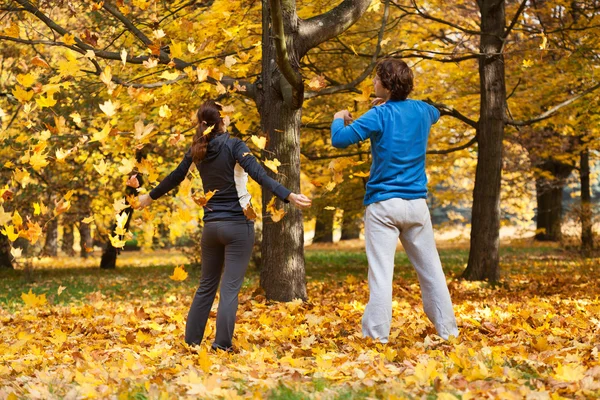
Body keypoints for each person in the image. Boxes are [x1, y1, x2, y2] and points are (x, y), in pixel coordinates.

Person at [137, 100, 311, 351]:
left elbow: (176, 176)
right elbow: (260, 175)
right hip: (238, 226)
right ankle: (221, 345)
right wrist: (289, 195)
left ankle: (191, 343)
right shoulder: (234, 145)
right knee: (229, 289)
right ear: (221, 120)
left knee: (206, 286)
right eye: (226, 114)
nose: (229, 116)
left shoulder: (198, 148)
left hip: (211, 228)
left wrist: (149, 197)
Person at [330, 58, 458, 342]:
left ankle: (377, 337)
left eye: (377, 80)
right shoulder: (424, 111)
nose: (373, 84)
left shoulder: (378, 116)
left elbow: (339, 140)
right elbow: (434, 111)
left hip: (383, 205)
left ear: (386, 85)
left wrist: (339, 116)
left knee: (381, 274)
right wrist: (390, 102)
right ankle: (449, 333)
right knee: (432, 272)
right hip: (416, 206)